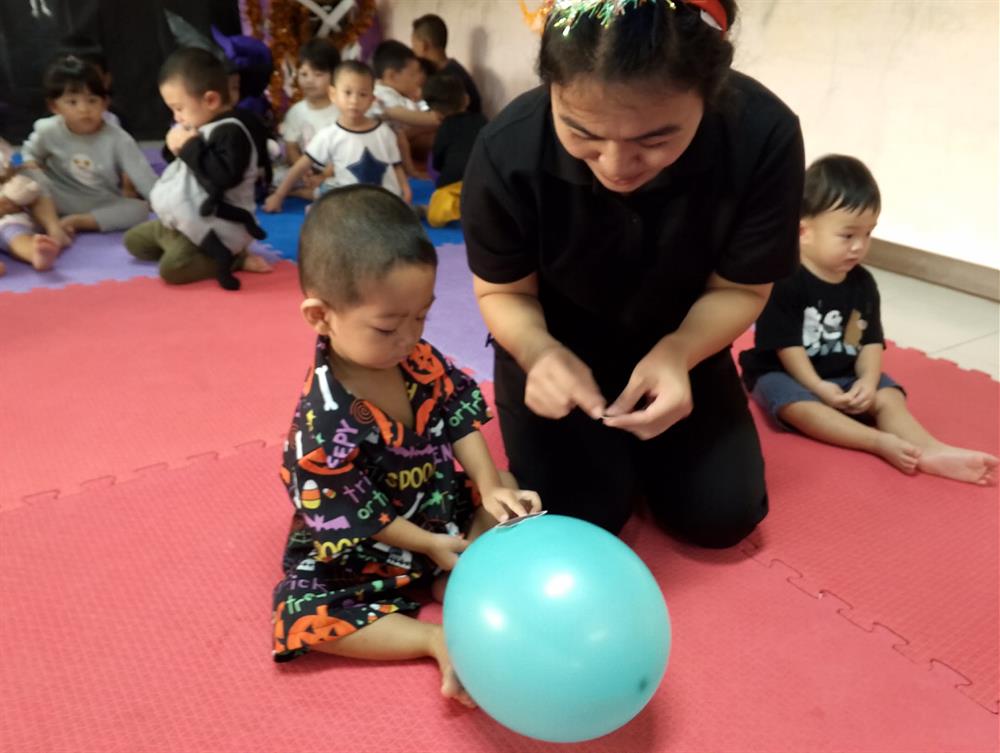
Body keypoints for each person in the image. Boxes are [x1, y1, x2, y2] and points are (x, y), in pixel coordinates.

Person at [462, 0, 804, 546]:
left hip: (687, 342)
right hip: (555, 352)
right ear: (552, 87)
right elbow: (504, 293)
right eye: (583, 134)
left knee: (723, 516)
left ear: (709, 92)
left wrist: (680, 352)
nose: (617, 166)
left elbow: (741, 287)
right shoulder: (508, 149)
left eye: (655, 140)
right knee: (578, 523)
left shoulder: (762, 136)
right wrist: (537, 352)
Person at [271, 184, 540, 706]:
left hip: (438, 508)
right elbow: (350, 514)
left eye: (422, 317)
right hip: (373, 544)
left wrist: (488, 487)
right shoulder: (322, 423)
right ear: (321, 316)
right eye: (388, 326)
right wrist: (425, 544)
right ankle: (433, 637)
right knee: (302, 616)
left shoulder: (416, 358)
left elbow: (459, 415)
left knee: (508, 486)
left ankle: (454, 578)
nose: (410, 338)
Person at [739, 155, 998, 486]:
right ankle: (876, 441)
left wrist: (868, 380)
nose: (859, 246)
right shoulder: (785, 279)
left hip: (843, 373)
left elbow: (870, 341)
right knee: (795, 405)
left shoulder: (862, 283)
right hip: (785, 372)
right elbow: (787, 347)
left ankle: (931, 449)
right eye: (847, 236)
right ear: (804, 231)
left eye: (868, 234)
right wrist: (817, 387)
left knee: (890, 396)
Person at [124, 47, 272, 291]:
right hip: (186, 216)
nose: (176, 117)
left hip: (218, 225)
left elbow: (222, 176)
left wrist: (188, 147)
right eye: (172, 110)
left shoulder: (233, 131)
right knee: (134, 242)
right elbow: (180, 165)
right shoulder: (199, 122)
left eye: (179, 108)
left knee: (172, 270)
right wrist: (173, 147)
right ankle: (181, 240)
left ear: (211, 100)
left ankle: (234, 258)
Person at [20, 55, 157, 237]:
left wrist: (164, 203)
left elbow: (145, 178)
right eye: (72, 102)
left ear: (105, 103)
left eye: (92, 100)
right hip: (56, 197)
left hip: (99, 202)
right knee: (27, 173)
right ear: (54, 106)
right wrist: (28, 162)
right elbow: (23, 154)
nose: (84, 109)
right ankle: (53, 224)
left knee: (139, 210)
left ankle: (77, 222)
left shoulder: (119, 139)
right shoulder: (47, 129)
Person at [264, 61, 411, 212]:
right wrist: (278, 196)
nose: (354, 101)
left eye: (362, 94)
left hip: (385, 202)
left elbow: (396, 165)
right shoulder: (329, 135)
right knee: (328, 191)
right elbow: (300, 166)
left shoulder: (384, 132)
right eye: (347, 93)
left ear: (371, 100)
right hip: (348, 204)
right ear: (333, 94)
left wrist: (406, 190)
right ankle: (303, 195)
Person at [419, 73, 486, 227]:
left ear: (436, 112)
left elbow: (437, 161)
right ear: (466, 99)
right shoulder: (481, 119)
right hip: (482, 182)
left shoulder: (444, 128)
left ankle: (428, 210)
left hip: (452, 185)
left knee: (435, 218)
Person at [277, 38, 341, 198]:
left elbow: (344, 151)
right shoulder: (296, 112)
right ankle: (310, 191)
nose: (309, 80)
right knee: (276, 177)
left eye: (318, 74)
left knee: (345, 185)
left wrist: (325, 175)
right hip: (307, 170)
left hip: (335, 171)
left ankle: (305, 193)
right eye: (304, 74)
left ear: (334, 76)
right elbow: (291, 147)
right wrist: (304, 172)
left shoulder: (342, 110)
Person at [368, 40, 441, 177]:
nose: (419, 78)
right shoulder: (382, 93)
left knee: (401, 135)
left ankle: (410, 172)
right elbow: (413, 117)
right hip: (373, 153)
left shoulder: (396, 95)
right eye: (413, 74)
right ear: (392, 76)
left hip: (391, 148)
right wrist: (439, 117)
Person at [0, 142, 65, 274]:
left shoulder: (4, 149)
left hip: (8, 217)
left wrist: (22, 164)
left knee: (16, 236)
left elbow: (16, 158)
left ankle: (37, 254)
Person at [411, 13, 483, 115]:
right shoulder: (445, 70)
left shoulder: (450, 79)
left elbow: (435, 116)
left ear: (424, 45)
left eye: (414, 45)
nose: (413, 51)